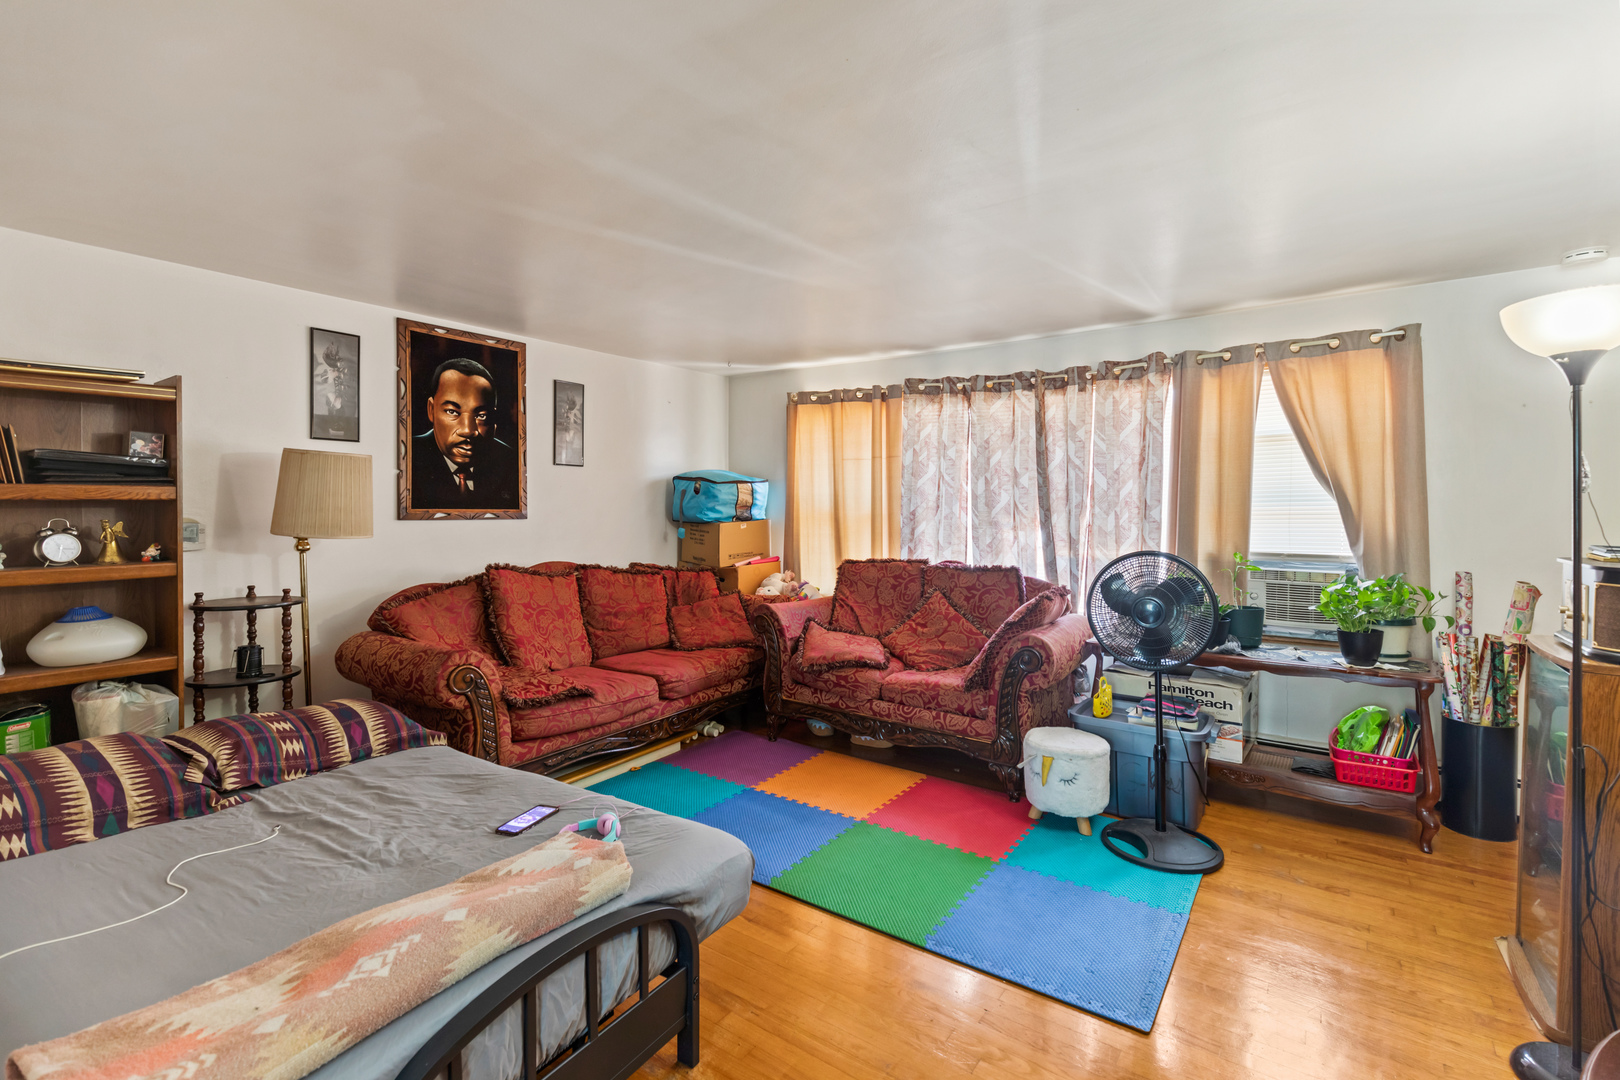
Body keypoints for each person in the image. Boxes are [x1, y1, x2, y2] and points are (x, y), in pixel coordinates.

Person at [411, 357, 519, 510]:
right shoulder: (410, 457)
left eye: (481, 416)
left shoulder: (510, 462)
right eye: (452, 412)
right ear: (431, 410)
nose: (468, 430)